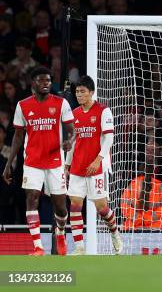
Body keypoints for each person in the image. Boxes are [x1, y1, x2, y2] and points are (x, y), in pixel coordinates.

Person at [2, 66, 74, 256]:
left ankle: (60, 232)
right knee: (31, 198)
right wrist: (9, 164)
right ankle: (38, 247)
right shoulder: (23, 105)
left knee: (60, 206)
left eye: (48, 80)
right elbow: (18, 136)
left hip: (55, 161)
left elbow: (71, 129)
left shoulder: (61, 103)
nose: (46, 84)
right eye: (42, 80)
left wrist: (69, 141)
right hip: (32, 162)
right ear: (33, 83)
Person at [64, 76, 123, 255]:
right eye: (77, 92)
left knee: (101, 208)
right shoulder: (74, 114)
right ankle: (79, 247)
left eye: (82, 92)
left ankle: (114, 233)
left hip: (97, 166)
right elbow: (73, 142)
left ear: (91, 92)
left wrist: (98, 159)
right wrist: (67, 164)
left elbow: (109, 138)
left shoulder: (103, 111)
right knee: (74, 205)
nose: (79, 95)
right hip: (78, 166)